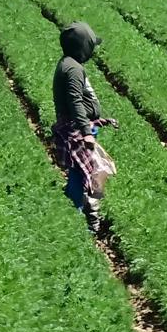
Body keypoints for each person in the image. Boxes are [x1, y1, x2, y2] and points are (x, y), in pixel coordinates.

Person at [51, 22, 116, 230]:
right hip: (76, 129)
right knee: (81, 175)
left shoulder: (69, 64)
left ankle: (81, 213)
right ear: (83, 46)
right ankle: (76, 217)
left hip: (77, 126)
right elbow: (75, 101)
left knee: (81, 173)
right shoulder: (73, 69)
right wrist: (87, 132)